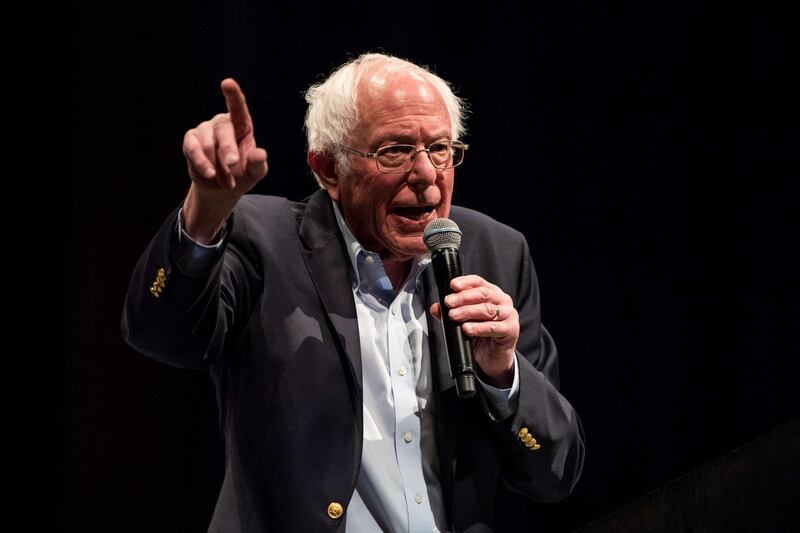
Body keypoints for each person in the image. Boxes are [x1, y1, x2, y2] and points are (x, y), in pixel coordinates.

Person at [122, 52, 584, 532]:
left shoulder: (495, 252)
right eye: (395, 150)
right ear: (328, 169)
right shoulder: (262, 241)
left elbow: (555, 474)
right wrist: (203, 213)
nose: (427, 174)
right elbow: (162, 335)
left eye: (441, 149)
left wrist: (504, 374)